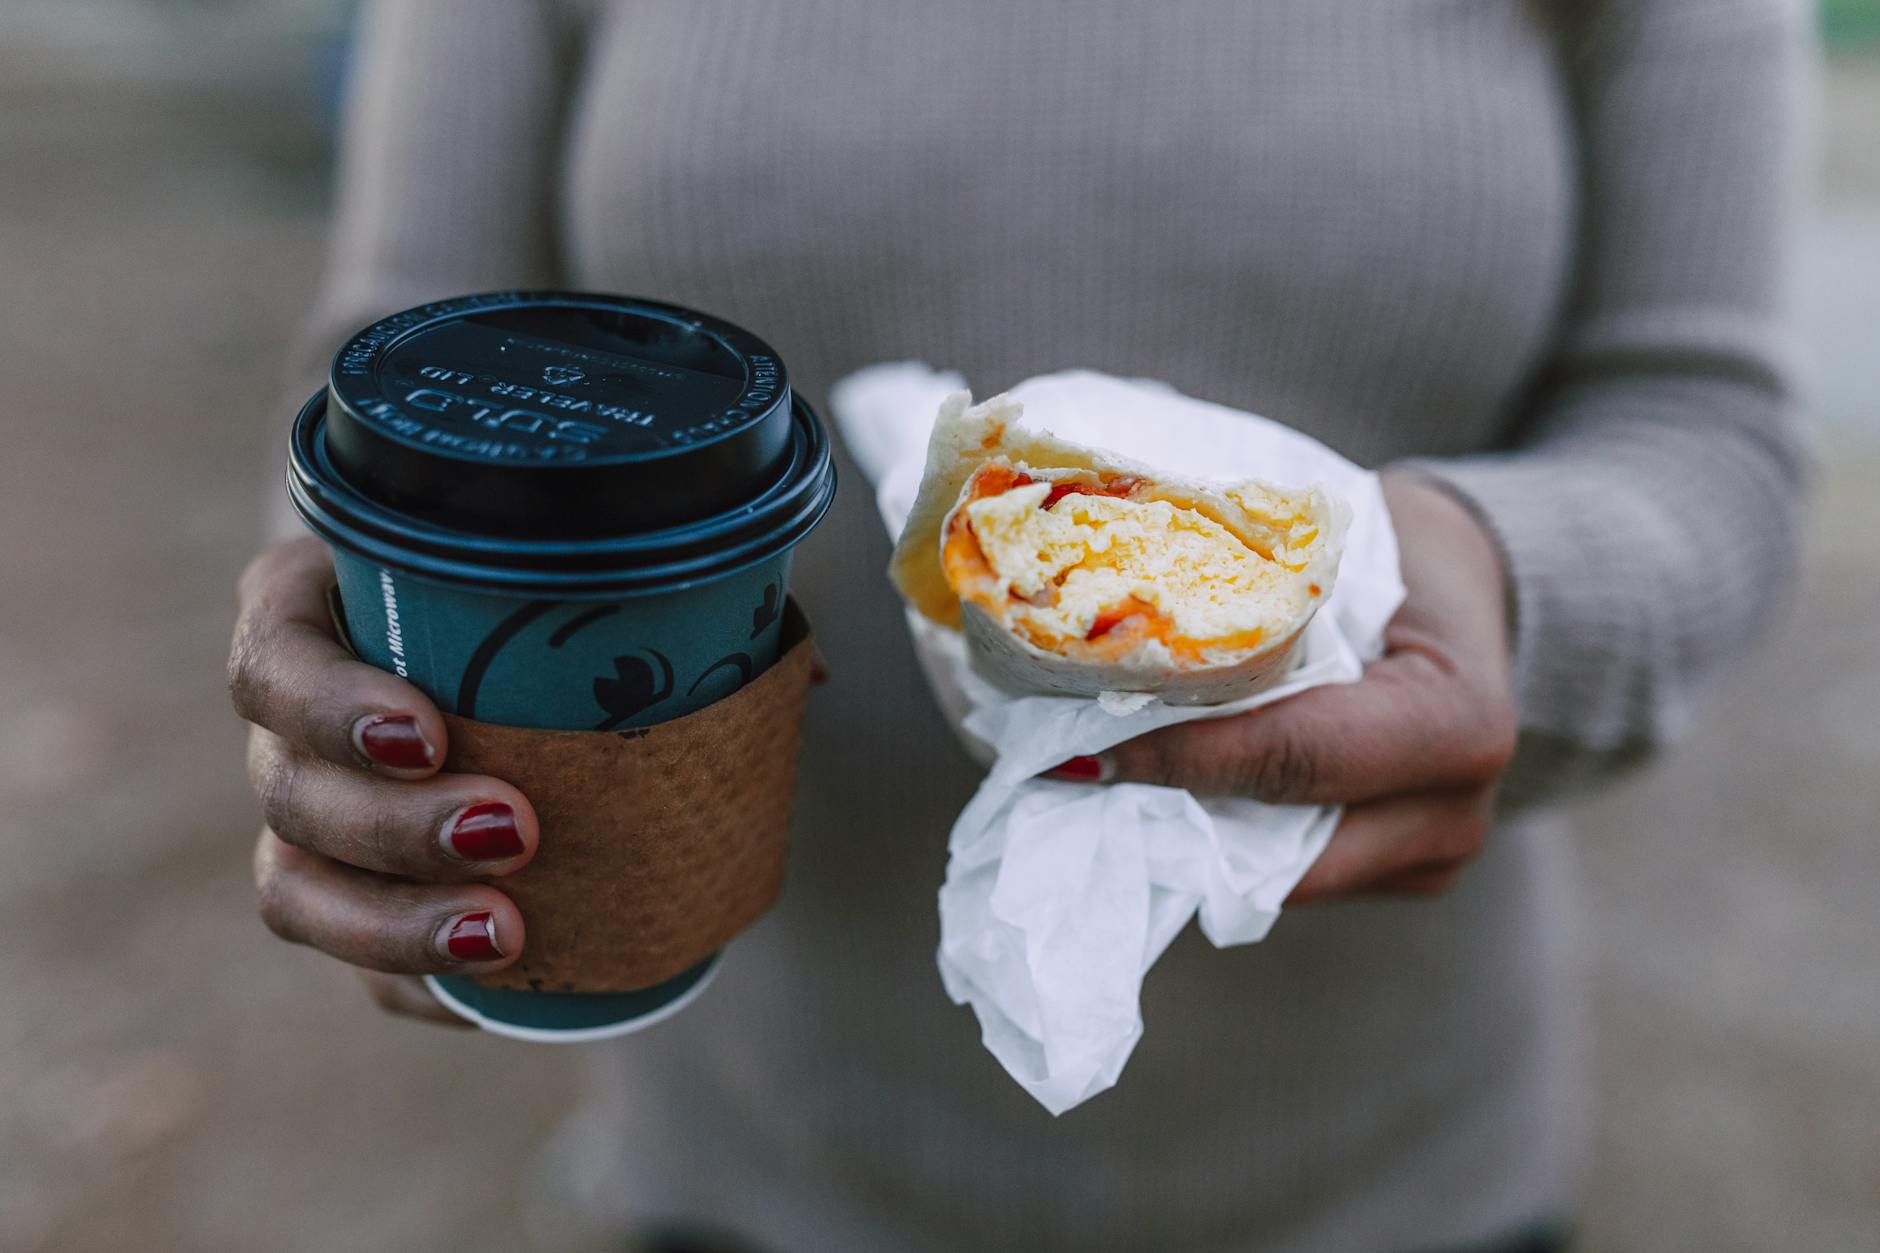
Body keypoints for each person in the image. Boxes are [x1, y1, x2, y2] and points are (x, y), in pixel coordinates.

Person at [227, 3, 1809, 1250]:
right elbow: (404, 360)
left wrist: (1499, 578)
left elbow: (1704, 422)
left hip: (1400, 1166)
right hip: (758, 1155)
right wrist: (367, 661)